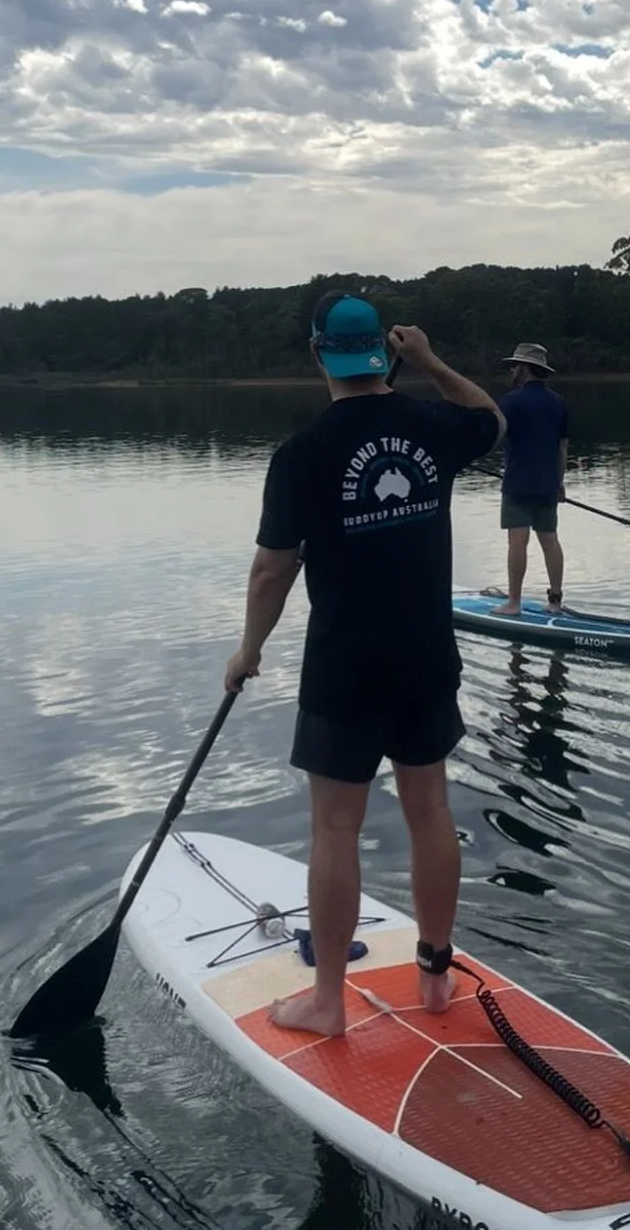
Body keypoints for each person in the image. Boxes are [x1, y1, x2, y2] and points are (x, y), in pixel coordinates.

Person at [224, 292, 505, 1038]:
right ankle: (436, 975)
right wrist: (432, 361)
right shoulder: (434, 425)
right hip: (424, 659)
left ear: (319, 354)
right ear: (384, 351)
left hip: (345, 669)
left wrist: (249, 650)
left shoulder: (303, 453)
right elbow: (492, 418)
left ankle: (326, 1002)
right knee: (431, 811)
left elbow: (270, 572)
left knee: (334, 830)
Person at [491, 342, 568, 616]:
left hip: (517, 484)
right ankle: (555, 602)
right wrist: (560, 483)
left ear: (524, 369)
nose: (511, 370)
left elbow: (495, 436)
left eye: (514, 365)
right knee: (550, 541)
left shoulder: (510, 402)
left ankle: (513, 603)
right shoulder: (558, 403)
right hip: (548, 485)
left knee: (517, 541)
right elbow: (562, 448)